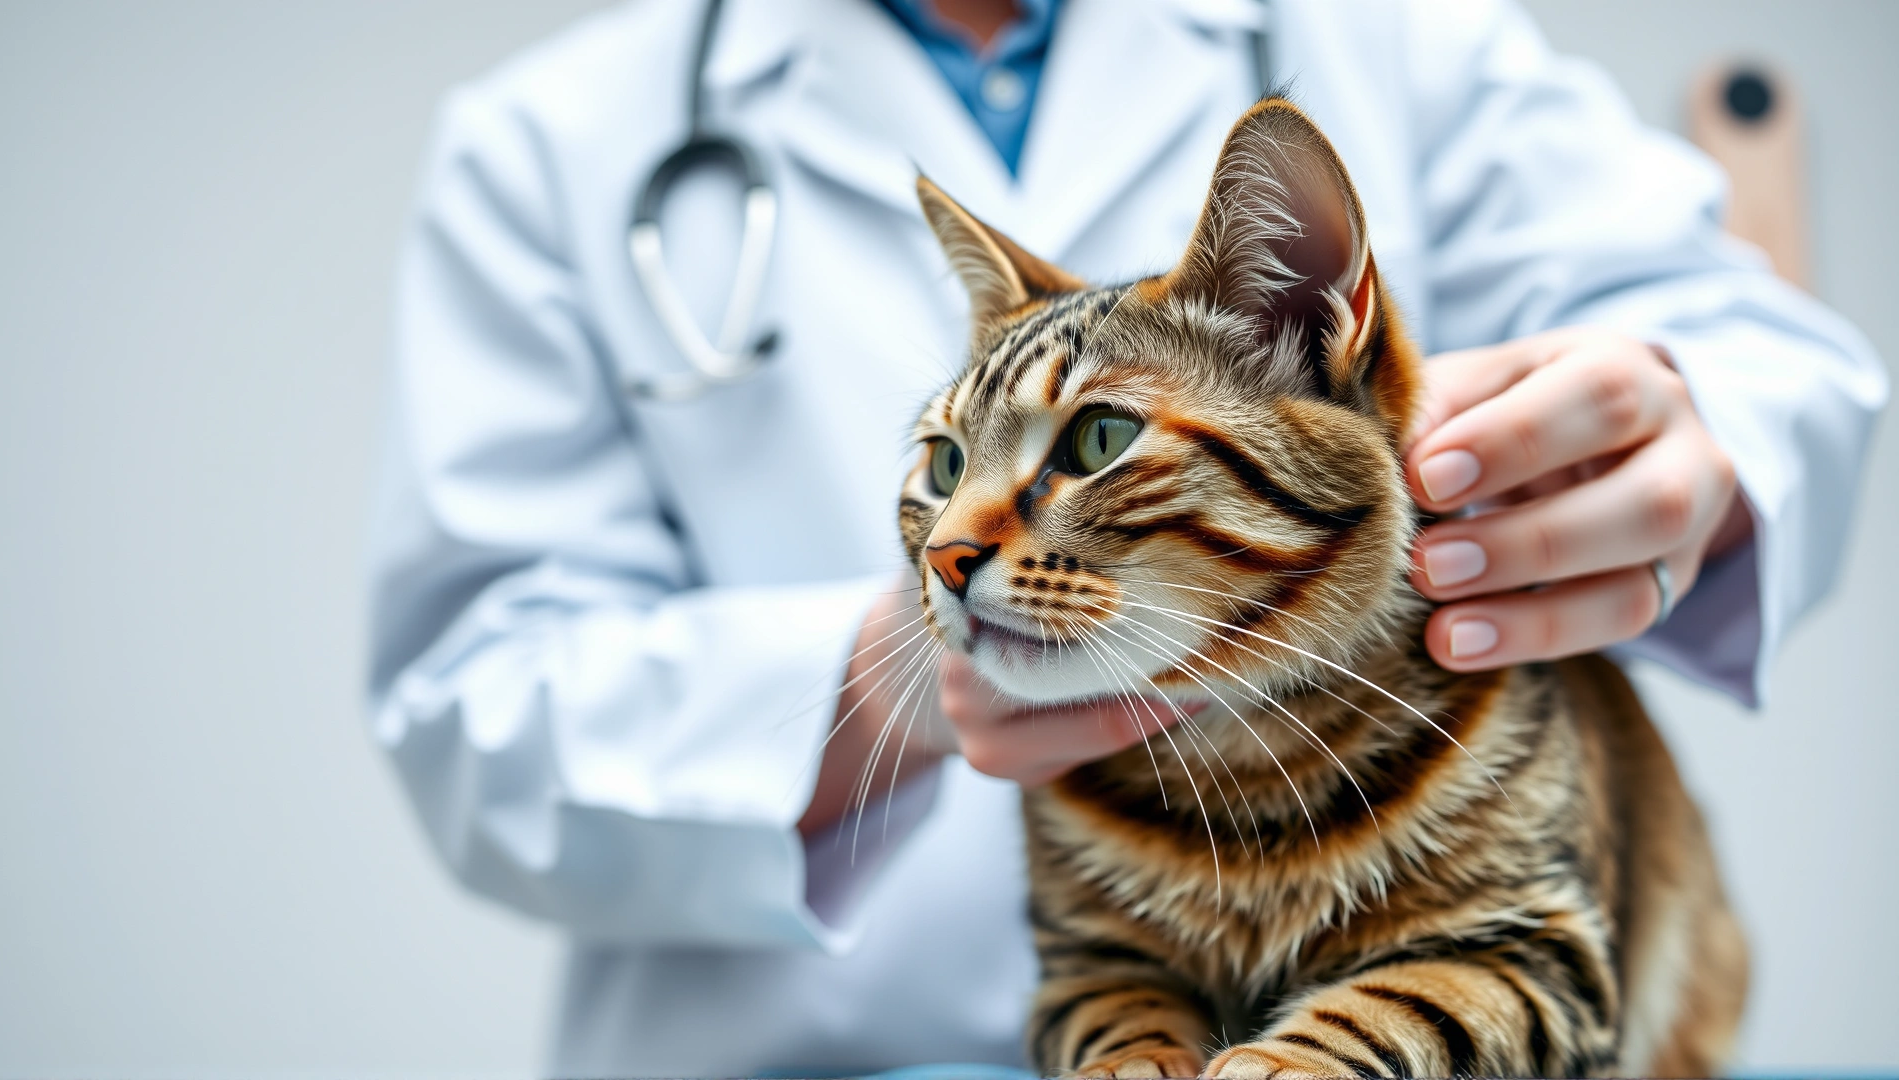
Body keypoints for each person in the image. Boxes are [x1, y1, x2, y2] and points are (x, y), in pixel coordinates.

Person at [366, 0, 1885, 1074]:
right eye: (949, 474)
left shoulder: (1392, 30)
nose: (958, 535)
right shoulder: (548, 142)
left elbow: (1777, 363)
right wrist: (904, 662)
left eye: (1089, 446)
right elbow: (473, 712)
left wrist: (1697, 439)